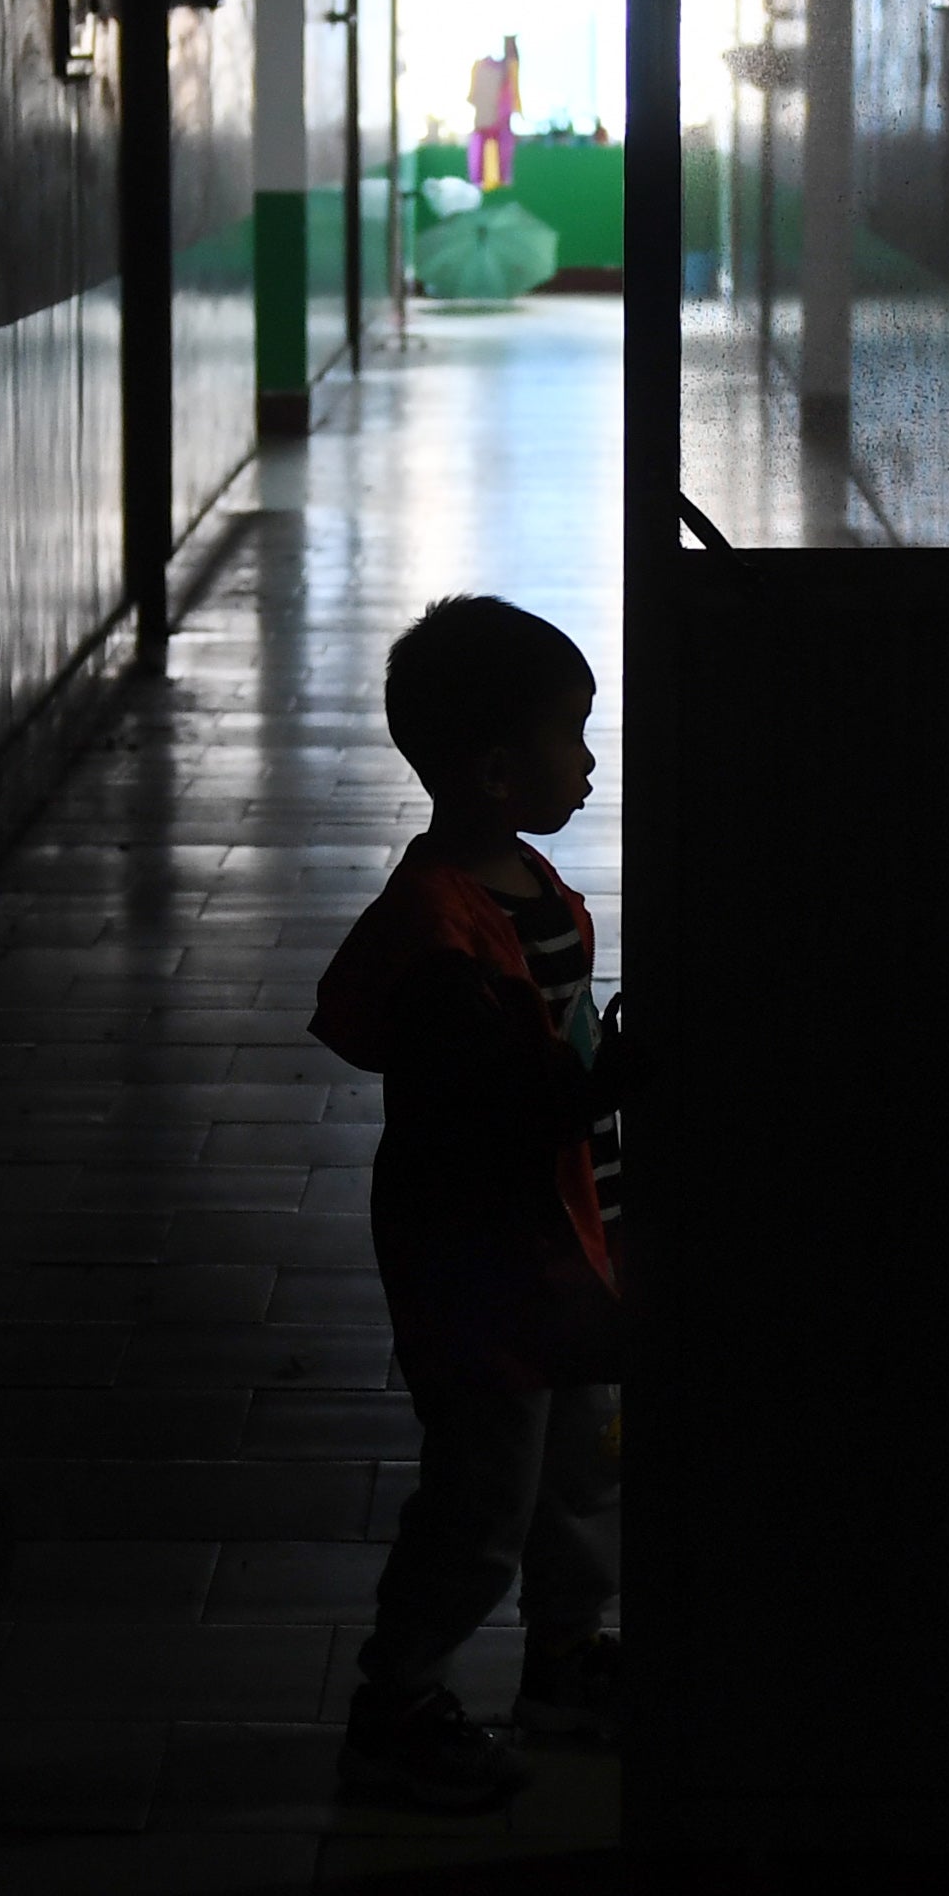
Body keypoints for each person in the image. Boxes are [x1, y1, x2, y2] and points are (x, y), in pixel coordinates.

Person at [311, 594, 622, 1810]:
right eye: (572, 734)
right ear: (499, 771)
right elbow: (495, 1106)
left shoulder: (525, 886)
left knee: (580, 1466)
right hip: (483, 1263)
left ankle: (562, 1658)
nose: (589, 757)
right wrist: (605, 1086)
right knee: (485, 1491)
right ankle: (397, 1701)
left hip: (563, 1235)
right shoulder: (440, 931)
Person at [468, 33, 522, 191]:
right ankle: (482, 180)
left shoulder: (509, 70)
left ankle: (499, 179)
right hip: (486, 123)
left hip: (498, 124)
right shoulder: (482, 68)